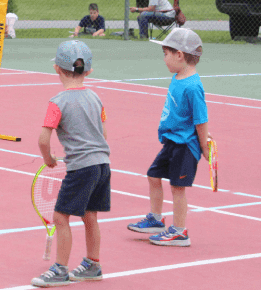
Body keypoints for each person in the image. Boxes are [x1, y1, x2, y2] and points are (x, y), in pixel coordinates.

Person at [30, 40, 110, 287]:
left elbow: (43, 139)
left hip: (82, 168)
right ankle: (93, 264)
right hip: (103, 165)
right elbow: (103, 134)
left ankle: (61, 270)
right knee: (90, 216)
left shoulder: (57, 102)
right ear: (89, 71)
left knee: (61, 217)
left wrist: (49, 160)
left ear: (56, 68)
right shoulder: (96, 98)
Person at [127, 28, 209, 247]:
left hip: (185, 145)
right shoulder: (178, 78)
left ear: (179, 55)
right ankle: (155, 219)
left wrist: (204, 146)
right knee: (153, 176)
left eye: (166, 54)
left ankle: (180, 232)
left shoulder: (192, 86)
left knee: (177, 188)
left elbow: (201, 119)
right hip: (172, 141)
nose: (164, 59)